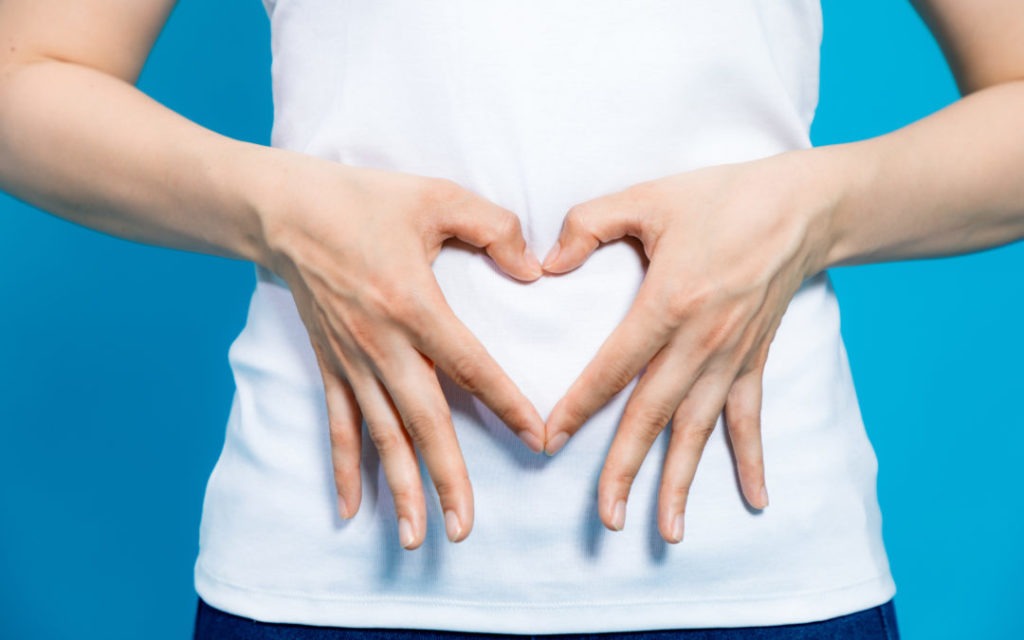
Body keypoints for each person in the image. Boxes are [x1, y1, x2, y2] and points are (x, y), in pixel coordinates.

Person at [1, 0, 1021, 638]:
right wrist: (280, 213)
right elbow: (24, 74)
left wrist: (816, 209)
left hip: (757, 578)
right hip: (333, 577)